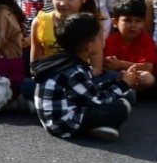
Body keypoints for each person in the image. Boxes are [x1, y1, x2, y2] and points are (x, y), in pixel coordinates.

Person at [33, 11, 136, 140]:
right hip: (62, 126)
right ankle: (95, 127)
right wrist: (123, 84)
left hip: (65, 113)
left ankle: (101, 127)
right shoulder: (74, 71)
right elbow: (98, 100)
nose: (103, 39)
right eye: (99, 37)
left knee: (126, 93)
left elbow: (90, 89)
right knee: (121, 106)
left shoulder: (68, 61)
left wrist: (116, 82)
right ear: (89, 45)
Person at [103, 0, 157, 93]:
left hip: (138, 76)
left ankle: (128, 92)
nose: (133, 25)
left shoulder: (145, 39)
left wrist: (121, 64)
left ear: (143, 22)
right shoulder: (111, 40)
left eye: (138, 21)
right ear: (115, 22)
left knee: (147, 77)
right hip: (120, 75)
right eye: (127, 20)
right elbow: (109, 64)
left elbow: (148, 67)